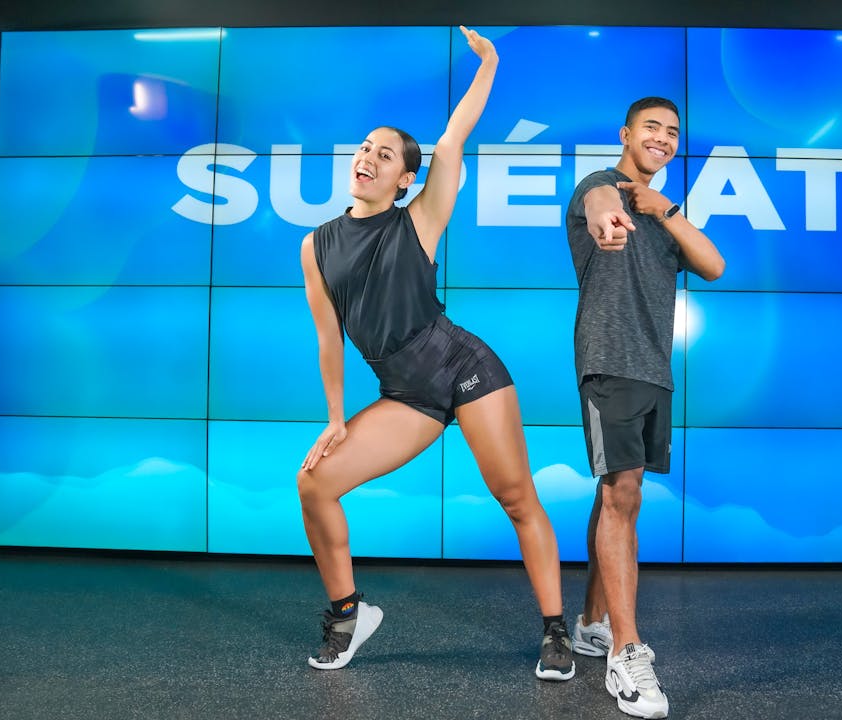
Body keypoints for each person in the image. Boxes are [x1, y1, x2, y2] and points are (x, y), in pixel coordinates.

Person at [296, 26, 574, 681]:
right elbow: (328, 338)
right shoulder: (316, 245)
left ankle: (556, 632)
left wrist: (489, 65)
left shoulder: (417, 220)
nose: (368, 157)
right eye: (365, 148)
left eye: (385, 153)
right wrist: (336, 419)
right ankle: (347, 614)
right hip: (406, 395)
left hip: (465, 368)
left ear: (404, 177)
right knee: (314, 484)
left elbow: (451, 141)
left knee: (515, 498)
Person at [565, 97, 725, 718]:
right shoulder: (598, 185)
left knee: (615, 492)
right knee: (622, 492)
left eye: (673, 132)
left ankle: (590, 623)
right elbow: (602, 205)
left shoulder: (664, 213)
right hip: (607, 361)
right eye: (651, 128)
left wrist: (668, 210)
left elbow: (713, 264)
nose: (662, 138)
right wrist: (611, 217)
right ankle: (626, 653)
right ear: (626, 133)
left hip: (654, 369)